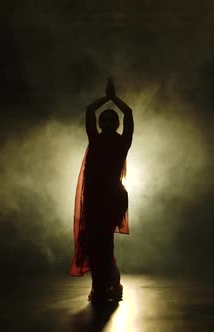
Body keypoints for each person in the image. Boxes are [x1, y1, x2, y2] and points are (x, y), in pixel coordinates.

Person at [69, 77, 134, 304]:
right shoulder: (95, 140)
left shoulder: (123, 141)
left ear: (115, 124)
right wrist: (106, 99)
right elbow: (89, 111)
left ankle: (106, 287)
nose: (106, 123)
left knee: (104, 244)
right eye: (103, 120)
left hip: (112, 198)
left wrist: (114, 99)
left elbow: (129, 115)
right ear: (100, 124)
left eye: (110, 120)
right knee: (96, 245)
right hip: (95, 197)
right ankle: (107, 286)